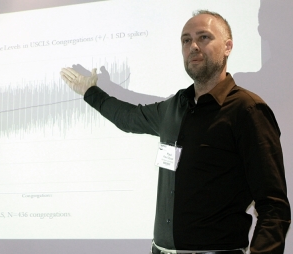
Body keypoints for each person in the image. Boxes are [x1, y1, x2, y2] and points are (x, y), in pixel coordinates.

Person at [60, 10, 290, 254]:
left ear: (227, 47)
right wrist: (90, 92)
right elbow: (127, 118)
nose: (193, 46)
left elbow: (273, 206)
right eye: (186, 40)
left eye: (204, 37)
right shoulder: (174, 107)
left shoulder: (247, 110)